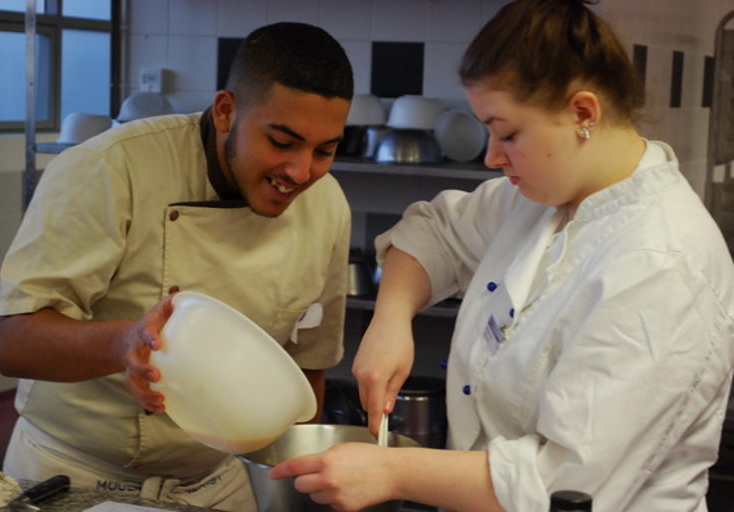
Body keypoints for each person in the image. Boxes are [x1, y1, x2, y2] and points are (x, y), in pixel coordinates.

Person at [269, 1, 734, 511]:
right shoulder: (545, 198)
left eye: (508, 133)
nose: (491, 156)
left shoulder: (662, 263)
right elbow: (433, 230)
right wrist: (391, 318)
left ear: (583, 113)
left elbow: (566, 484)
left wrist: (393, 470)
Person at [0, 21, 354, 512]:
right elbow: (14, 344)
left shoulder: (327, 205)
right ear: (226, 110)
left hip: (219, 483)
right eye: (282, 142)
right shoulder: (109, 168)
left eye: (325, 151)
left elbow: (306, 368)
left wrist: (288, 485)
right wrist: (122, 343)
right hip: (75, 476)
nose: (300, 172)